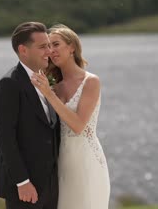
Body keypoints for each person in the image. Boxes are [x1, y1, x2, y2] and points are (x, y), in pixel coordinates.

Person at [31, 24, 110, 209]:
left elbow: (78, 125)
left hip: (86, 161)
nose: (51, 50)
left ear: (72, 47)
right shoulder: (53, 87)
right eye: (48, 46)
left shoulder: (91, 81)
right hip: (60, 164)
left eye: (56, 44)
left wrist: (48, 94)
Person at [0, 22, 60, 209]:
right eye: (42, 47)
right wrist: (22, 182)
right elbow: (5, 137)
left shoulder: (44, 79)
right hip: (25, 188)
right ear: (23, 50)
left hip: (50, 185)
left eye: (49, 45)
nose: (49, 51)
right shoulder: (9, 84)